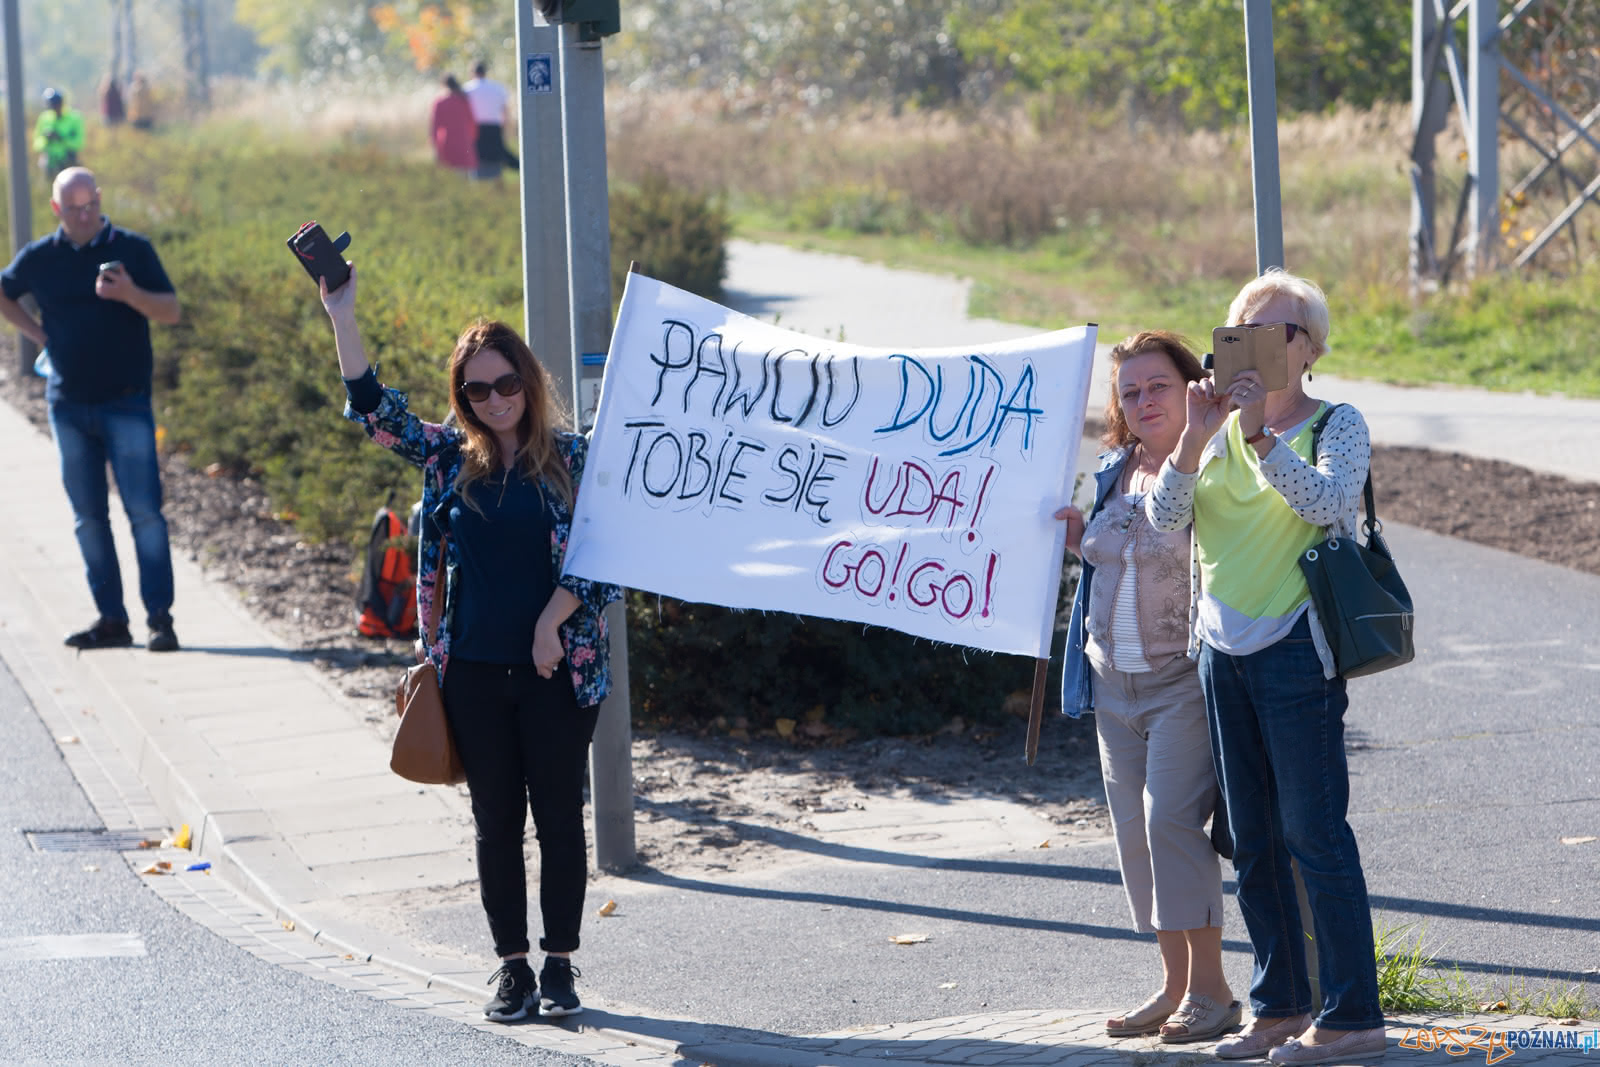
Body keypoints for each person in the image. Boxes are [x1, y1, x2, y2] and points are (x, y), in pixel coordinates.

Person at [318, 265, 619, 1023]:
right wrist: (342, 314)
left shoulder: (575, 459)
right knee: (495, 823)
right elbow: (374, 410)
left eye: (506, 383)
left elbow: (608, 556)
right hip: (474, 673)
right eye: (477, 389)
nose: (494, 399)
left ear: (528, 381)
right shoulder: (448, 458)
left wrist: (552, 620)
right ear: (463, 396)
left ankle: (560, 965)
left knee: (559, 818)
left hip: (559, 674)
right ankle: (512, 969)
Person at [1148, 269, 1386, 1065]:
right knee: (1251, 840)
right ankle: (1280, 1006)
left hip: (1295, 650)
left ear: (1310, 349)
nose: (1261, 345)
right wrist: (1194, 436)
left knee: (1313, 833)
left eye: (1281, 332)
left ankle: (1353, 1016)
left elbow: (1327, 503)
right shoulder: (1212, 428)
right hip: (1222, 653)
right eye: (1245, 331)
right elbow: (1164, 522)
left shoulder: (1336, 423)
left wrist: (1258, 436)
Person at [1057, 331, 1239, 1044]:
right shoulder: (1114, 470)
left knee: (1171, 824)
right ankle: (1172, 987)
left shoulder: (1214, 462)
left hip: (1178, 682)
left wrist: (1195, 441)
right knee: (1134, 834)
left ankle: (1214, 991)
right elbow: (1115, 557)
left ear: (1189, 386)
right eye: (1129, 391)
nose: (1143, 401)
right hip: (1111, 684)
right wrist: (1078, 535)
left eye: (1157, 385)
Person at [0, 167, 182, 652]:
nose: (85, 216)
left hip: (127, 401)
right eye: (74, 209)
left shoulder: (133, 249)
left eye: (91, 206)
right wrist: (38, 335)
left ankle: (160, 620)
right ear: (56, 209)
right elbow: (4, 292)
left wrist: (129, 293)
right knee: (88, 518)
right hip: (68, 406)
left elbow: (171, 311)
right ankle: (111, 621)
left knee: (145, 513)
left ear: (100, 199)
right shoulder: (40, 257)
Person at [463, 61, 519, 181]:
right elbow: (505, 111)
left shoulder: (466, 89)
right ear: (485, 72)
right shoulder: (498, 88)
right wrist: (505, 127)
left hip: (476, 128)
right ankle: (498, 182)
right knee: (496, 156)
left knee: (478, 156)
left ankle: (478, 182)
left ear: (472, 73)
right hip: (495, 127)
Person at [430, 75, 478, 175]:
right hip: (464, 143)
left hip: (447, 144)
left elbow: (435, 128)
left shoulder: (440, 103)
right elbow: (472, 124)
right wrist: (471, 140)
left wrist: (436, 148)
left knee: (449, 177)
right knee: (465, 176)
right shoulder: (463, 100)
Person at [34, 89, 86, 178]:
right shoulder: (44, 118)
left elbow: (79, 143)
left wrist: (61, 138)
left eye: (56, 105)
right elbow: (37, 144)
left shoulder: (74, 118)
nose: (55, 108)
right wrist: (46, 139)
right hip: (50, 162)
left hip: (69, 162)